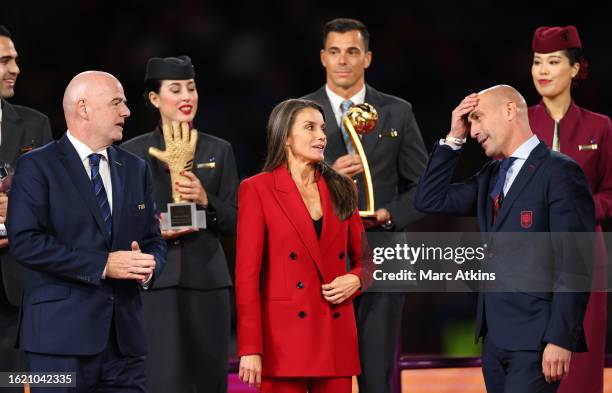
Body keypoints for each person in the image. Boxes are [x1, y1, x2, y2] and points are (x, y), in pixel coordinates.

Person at [415, 85, 594, 392]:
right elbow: (429, 200)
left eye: (478, 118)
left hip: (536, 341)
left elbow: (574, 262)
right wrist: (453, 138)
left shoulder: (560, 171)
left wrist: (561, 338)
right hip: (494, 341)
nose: (473, 131)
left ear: (510, 110)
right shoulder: (490, 176)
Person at [6, 70, 166, 392]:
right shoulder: (37, 166)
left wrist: (147, 267)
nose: (127, 112)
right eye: (117, 103)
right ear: (83, 108)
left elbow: (153, 239)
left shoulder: (135, 168)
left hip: (124, 344)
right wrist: (104, 265)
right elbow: (25, 242)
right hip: (57, 342)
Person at [303, 18, 427, 393]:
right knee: (324, 374)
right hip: (319, 260)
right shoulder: (298, 113)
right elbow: (278, 188)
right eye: (335, 52)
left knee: (377, 375)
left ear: (367, 58)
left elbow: (423, 187)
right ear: (323, 57)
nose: (344, 61)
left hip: (383, 255)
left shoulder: (397, 112)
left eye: (353, 52)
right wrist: (324, 176)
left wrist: (391, 215)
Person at [122, 55, 238, 393]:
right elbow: (117, 223)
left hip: (209, 281)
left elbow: (236, 220)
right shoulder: (132, 154)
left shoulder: (219, 149)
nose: (187, 96)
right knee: (162, 380)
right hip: (155, 283)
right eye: (176, 89)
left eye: (191, 88)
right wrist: (153, 229)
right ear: (155, 99)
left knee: (210, 379)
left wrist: (205, 199)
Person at [236, 99, 364, 393]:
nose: (321, 136)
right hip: (282, 343)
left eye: (322, 128)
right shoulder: (257, 189)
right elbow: (247, 278)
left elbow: (367, 260)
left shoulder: (342, 187)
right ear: (285, 137)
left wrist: (356, 278)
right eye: (309, 128)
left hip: (334, 336)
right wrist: (251, 348)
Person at [529, 25, 611, 393]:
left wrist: (574, 209)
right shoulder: (519, 123)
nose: (543, 71)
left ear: (575, 69)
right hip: (527, 257)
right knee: (526, 363)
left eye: (553, 62)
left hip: (583, 259)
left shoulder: (600, 126)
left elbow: (610, 192)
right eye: (537, 62)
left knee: (579, 369)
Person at [0, 24, 53, 379]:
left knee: (13, 383)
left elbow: (59, 205)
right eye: (5, 60)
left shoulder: (36, 126)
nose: (15, 69)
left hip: (15, 292)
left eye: (15, 59)